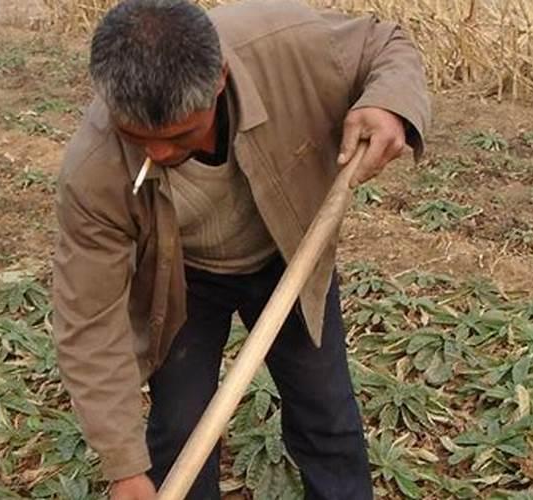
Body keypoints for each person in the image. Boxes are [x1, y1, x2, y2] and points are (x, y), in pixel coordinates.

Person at [52, 0, 430, 498]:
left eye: (179, 135)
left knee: (327, 417)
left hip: (287, 252)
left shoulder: (287, 42)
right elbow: (90, 323)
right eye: (138, 139)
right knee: (179, 433)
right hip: (181, 279)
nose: (160, 154)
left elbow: (387, 45)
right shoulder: (94, 171)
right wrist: (124, 469)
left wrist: (387, 103)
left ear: (219, 79)